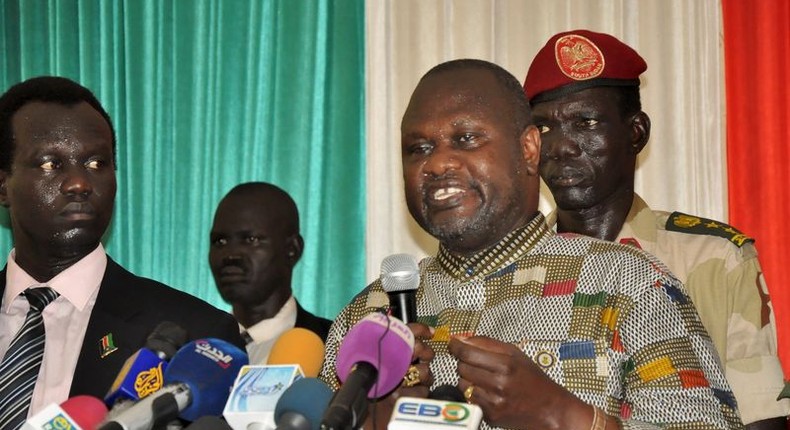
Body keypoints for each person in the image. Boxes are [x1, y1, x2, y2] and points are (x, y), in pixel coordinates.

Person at [319, 59, 742, 429]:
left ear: (528, 149)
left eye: (466, 139)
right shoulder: (368, 317)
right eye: (419, 148)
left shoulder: (628, 282)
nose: (437, 163)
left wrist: (562, 416)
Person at [523, 29, 789, 428]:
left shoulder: (713, 260)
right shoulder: (515, 268)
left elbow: (761, 419)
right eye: (544, 128)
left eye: (585, 122)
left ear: (636, 132)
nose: (561, 146)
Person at [0, 76, 245, 425]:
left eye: (96, 163)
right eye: (50, 164)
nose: (79, 183)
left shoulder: (198, 337)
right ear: (3, 185)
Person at [209, 182, 332, 364]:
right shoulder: (188, 349)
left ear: (292, 249)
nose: (230, 255)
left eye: (251, 240)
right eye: (220, 242)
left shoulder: (336, 349)